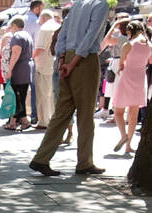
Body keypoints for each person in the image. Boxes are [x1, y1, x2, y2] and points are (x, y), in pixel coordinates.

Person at [28, 0, 110, 177]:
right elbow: (91, 36)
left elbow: (62, 33)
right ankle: (84, 162)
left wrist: (63, 58)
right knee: (85, 113)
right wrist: (72, 63)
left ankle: (41, 158)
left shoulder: (77, 5)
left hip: (67, 58)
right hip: (84, 60)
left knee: (62, 112)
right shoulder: (100, 5)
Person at [111, 18, 148, 155]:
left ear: (130, 31)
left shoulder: (128, 45)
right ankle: (129, 145)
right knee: (133, 113)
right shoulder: (148, 44)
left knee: (118, 111)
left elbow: (122, 63)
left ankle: (123, 135)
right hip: (140, 78)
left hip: (127, 77)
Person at [1, 16, 33, 130]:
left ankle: (15, 122)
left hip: (18, 70)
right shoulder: (27, 35)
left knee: (15, 96)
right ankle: (20, 120)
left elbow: (15, 54)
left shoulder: (17, 37)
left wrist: (9, 70)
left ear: (15, 26)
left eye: (12, 26)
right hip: (26, 69)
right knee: (21, 97)